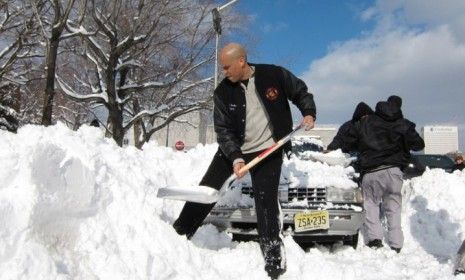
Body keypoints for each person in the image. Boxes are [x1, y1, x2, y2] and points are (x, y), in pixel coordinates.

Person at [172, 43, 316, 279]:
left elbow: (300, 91)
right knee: (208, 188)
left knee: (265, 200)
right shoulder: (222, 92)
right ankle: (179, 232)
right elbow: (223, 130)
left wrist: (308, 111)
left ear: (241, 61)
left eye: (227, 66)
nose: (224, 71)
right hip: (235, 149)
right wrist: (236, 157)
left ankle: (272, 255)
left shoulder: (273, 75)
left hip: (269, 149)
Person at [341, 100, 424, 253]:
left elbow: (347, 143)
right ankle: (396, 243)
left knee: (371, 205)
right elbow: (419, 145)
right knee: (393, 207)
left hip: (371, 171)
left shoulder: (366, 123)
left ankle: (375, 240)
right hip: (394, 171)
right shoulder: (403, 123)